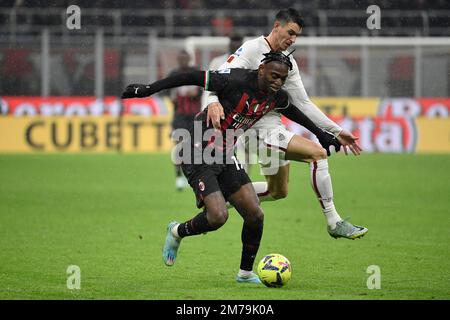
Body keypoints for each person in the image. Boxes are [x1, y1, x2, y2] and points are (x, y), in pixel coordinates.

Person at [121, 52, 341, 283]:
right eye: (274, 75)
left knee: (255, 214)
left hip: (226, 155)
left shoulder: (275, 96)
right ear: (262, 68)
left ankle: (245, 274)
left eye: (282, 78)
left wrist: (322, 135)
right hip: (198, 151)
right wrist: (148, 89)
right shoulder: (235, 80)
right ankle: (177, 232)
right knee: (217, 216)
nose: (277, 81)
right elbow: (189, 77)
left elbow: (294, 111)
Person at [203, 8, 368, 239]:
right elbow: (218, 75)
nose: (292, 39)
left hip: (272, 127)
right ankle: (334, 221)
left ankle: (226, 197)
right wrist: (212, 100)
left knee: (278, 191)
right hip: (256, 130)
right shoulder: (253, 49)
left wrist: (337, 130)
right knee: (317, 154)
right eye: (290, 32)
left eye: (296, 36)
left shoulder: (287, 63)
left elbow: (304, 104)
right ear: (276, 27)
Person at [166, 50, 203, 191]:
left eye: (185, 58)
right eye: (180, 59)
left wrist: (197, 92)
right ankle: (179, 177)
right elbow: (165, 90)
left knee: (197, 147)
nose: (183, 61)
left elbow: (205, 86)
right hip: (180, 116)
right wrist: (171, 98)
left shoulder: (196, 72)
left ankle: (196, 175)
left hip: (195, 116)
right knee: (179, 146)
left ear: (189, 59)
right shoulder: (174, 74)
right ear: (178, 60)